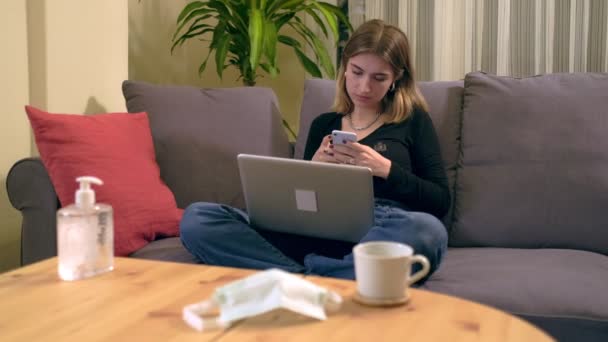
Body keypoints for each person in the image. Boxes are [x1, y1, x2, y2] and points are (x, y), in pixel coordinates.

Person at [180, 19, 450, 281]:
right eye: (356, 72)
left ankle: (301, 278)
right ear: (344, 67)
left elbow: (439, 201)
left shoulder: (412, 120)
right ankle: (331, 277)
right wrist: (314, 168)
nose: (364, 86)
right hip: (315, 229)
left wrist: (386, 170)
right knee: (197, 219)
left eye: (378, 78)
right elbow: (301, 202)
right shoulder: (324, 124)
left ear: (396, 79)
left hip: (379, 229)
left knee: (428, 232)